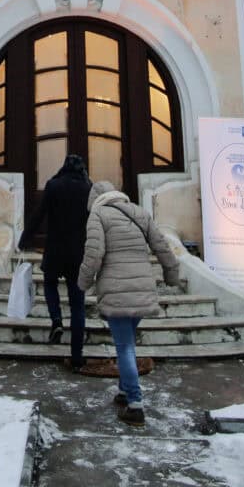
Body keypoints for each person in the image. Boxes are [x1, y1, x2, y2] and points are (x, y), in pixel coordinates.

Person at [78, 180, 181, 428]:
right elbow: (161, 245)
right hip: (142, 287)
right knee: (128, 342)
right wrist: (171, 274)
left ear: (95, 199)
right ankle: (124, 391)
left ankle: (135, 404)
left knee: (124, 347)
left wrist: (82, 282)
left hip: (116, 290)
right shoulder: (140, 212)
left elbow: (94, 253)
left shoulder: (98, 216)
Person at [20, 154, 92, 370]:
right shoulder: (88, 188)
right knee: (78, 304)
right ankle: (77, 356)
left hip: (55, 248)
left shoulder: (53, 185)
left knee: (50, 283)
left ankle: (57, 320)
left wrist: (26, 238)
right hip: (78, 252)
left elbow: (38, 214)